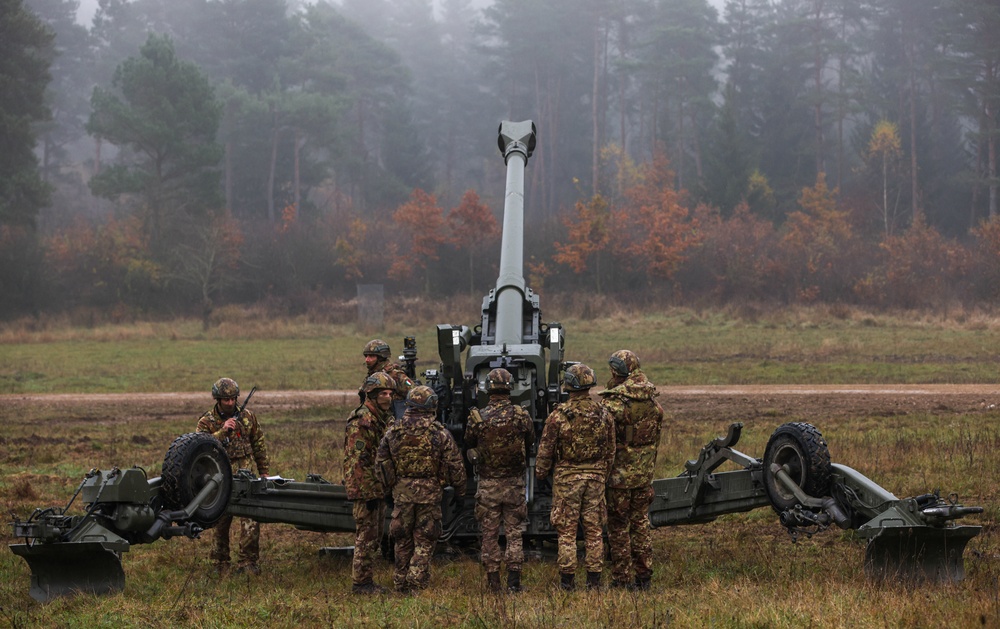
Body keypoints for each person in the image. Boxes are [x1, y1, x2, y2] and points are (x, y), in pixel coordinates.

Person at [376, 385, 466, 593]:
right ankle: (416, 583)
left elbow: (381, 463)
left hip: (402, 494)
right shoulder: (439, 433)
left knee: (402, 539)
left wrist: (388, 490)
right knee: (425, 540)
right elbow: (455, 465)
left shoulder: (393, 432)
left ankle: (400, 582)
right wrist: (460, 493)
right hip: (430, 495)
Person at [535, 363, 615, 591]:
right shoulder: (603, 413)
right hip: (596, 479)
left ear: (569, 385)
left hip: (567, 481)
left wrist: (541, 474)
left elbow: (546, 450)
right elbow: (611, 449)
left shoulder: (559, 416)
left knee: (567, 532)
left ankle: (567, 582)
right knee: (594, 531)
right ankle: (594, 582)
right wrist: (602, 473)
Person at [464, 368, 535, 593]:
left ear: (488, 388)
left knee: (489, 534)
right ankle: (514, 584)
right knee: (515, 533)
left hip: (488, 485)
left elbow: (468, 441)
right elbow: (531, 439)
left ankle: (493, 584)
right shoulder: (521, 415)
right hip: (514, 483)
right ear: (510, 387)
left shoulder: (478, 417)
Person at [599, 350, 664, 591]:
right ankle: (644, 578)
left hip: (618, 479)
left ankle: (622, 580)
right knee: (641, 525)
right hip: (644, 476)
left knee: (618, 528)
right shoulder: (652, 402)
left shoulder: (612, 404)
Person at [196, 377, 270, 574]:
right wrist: (222, 432)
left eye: (233, 399)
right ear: (217, 400)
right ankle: (219, 562)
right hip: (219, 478)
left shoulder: (248, 417)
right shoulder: (206, 421)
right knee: (220, 521)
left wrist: (263, 471)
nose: (230, 403)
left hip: (246, 477)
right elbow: (200, 446)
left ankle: (248, 562)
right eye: (225, 400)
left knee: (251, 521)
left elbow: (259, 444)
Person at [343, 371, 396, 594]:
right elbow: (358, 462)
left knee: (373, 536)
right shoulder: (362, 421)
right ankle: (361, 583)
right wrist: (369, 493)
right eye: (383, 393)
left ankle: (366, 580)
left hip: (376, 487)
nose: (388, 397)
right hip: (366, 490)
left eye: (390, 393)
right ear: (372, 395)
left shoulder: (380, 418)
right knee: (366, 536)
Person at [361, 339, 414, 416]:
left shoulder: (395, 375)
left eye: (371, 356)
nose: (367, 360)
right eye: (366, 356)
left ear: (381, 358)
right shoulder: (373, 375)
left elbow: (414, 394)